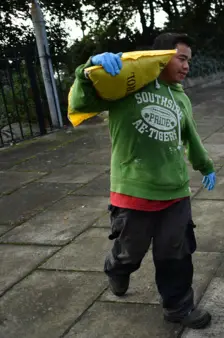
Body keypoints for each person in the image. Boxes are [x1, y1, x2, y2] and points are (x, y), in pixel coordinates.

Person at [69, 32, 216, 329]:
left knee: (176, 254)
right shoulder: (127, 84)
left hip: (174, 191)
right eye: (182, 58)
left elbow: (189, 136)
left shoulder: (180, 97)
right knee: (130, 252)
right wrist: (87, 70)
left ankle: (178, 308)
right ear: (161, 56)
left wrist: (206, 166)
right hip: (133, 190)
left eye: (189, 60)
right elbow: (83, 98)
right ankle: (117, 268)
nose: (187, 66)